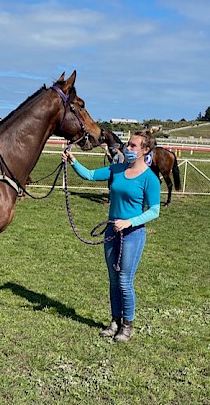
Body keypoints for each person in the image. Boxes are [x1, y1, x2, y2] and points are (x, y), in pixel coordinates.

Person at [62, 131, 161, 342]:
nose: (128, 148)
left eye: (133, 146)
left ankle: (127, 325)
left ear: (145, 150)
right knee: (114, 279)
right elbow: (89, 175)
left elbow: (154, 210)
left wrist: (129, 221)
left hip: (132, 234)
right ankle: (115, 320)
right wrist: (73, 161)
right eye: (128, 145)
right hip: (111, 232)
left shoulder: (149, 179)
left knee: (125, 280)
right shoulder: (116, 169)